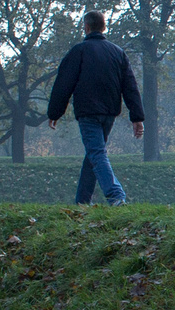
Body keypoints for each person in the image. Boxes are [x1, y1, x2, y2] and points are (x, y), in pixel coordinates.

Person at [45, 11, 144, 206]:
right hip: (109, 113)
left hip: (88, 112)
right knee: (94, 154)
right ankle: (82, 202)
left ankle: (116, 196)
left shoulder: (79, 51)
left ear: (86, 27)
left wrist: (55, 112)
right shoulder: (118, 53)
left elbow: (63, 83)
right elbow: (130, 86)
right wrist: (137, 117)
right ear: (103, 27)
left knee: (97, 153)